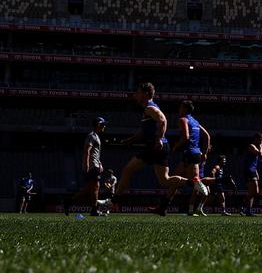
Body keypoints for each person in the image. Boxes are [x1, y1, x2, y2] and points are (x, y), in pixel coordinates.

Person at [112, 82, 189, 215]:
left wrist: (159, 138)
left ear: (146, 94)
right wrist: (129, 141)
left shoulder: (149, 107)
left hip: (155, 146)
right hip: (161, 147)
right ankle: (194, 183)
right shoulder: (148, 109)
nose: (136, 95)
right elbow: (143, 133)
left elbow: (163, 120)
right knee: (165, 180)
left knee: (127, 170)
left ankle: (114, 201)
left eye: (138, 92)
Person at [169, 100, 210, 211]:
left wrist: (176, 146)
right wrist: (205, 153)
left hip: (189, 153)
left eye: (180, 107)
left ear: (185, 109)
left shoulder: (183, 119)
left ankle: (204, 187)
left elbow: (186, 137)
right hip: (196, 153)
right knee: (176, 180)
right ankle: (164, 206)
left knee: (178, 180)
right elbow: (207, 136)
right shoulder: (195, 122)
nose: (179, 110)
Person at [64, 117, 107, 217]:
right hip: (92, 165)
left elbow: (94, 153)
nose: (104, 126)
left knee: (90, 188)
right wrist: (86, 164)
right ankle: (94, 210)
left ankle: (69, 202)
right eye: (103, 124)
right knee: (95, 187)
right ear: (98, 125)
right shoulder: (92, 136)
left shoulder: (96, 136)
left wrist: (100, 163)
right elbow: (87, 150)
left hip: (95, 164)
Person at [243, 133, 262, 216]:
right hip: (248, 170)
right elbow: (260, 154)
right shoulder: (252, 146)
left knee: (255, 192)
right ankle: (244, 207)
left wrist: (256, 172)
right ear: (256, 139)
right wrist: (261, 145)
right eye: (261, 140)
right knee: (253, 191)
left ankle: (247, 210)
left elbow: (254, 162)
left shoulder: (256, 147)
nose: (261, 142)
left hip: (253, 171)